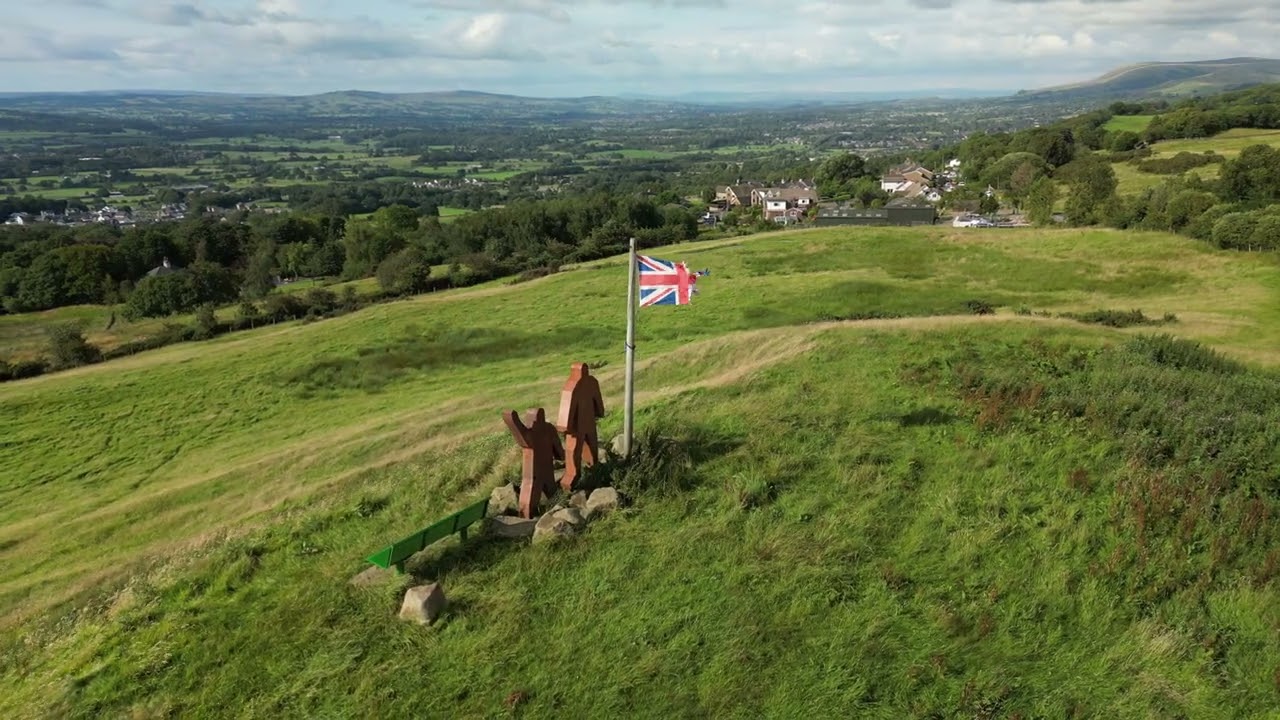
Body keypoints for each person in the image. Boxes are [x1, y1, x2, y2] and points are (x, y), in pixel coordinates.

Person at [503, 408, 564, 518]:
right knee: (550, 488)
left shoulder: (531, 434)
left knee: (530, 497)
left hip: (534, 472)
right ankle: (556, 505)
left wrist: (512, 419)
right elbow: (557, 447)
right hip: (546, 468)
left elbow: (520, 432)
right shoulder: (549, 428)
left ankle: (526, 518)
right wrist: (561, 456)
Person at [555, 363, 605, 490]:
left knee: (578, 449)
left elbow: (597, 401)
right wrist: (599, 412)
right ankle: (581, 473)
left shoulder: (574, 386)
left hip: (579, 427)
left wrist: (564, 426)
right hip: (583, 425)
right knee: (579, 449)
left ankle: (581, 473)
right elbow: (598, 405)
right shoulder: (587, 383)